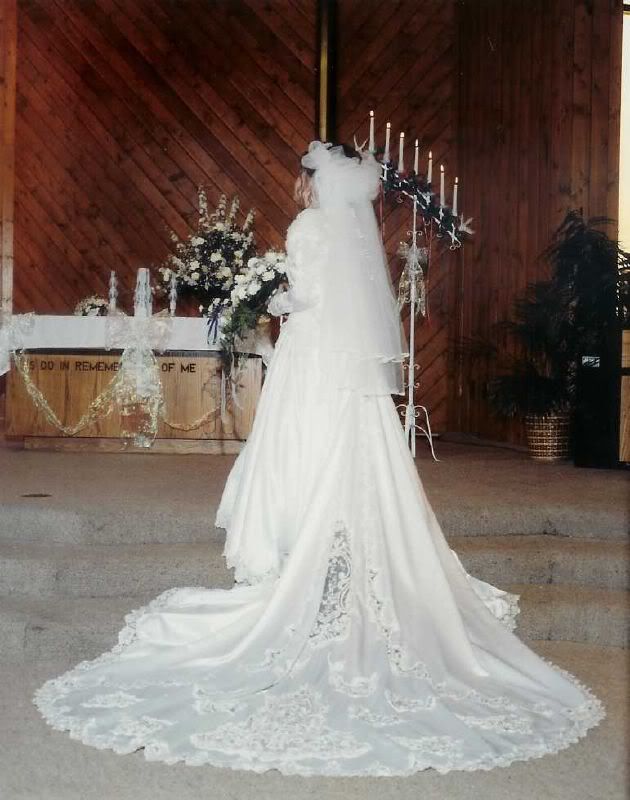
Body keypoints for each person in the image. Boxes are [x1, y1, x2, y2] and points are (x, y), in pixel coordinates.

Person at [34, 141, 604, 776]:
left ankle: (297, 547)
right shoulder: (354, 234)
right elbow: (347, 302)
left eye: (301, 181)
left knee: (299, 450)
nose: (300, 191)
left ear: (312, 184)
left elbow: (303, 300)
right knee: (352, 453)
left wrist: (267, 297)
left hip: (308, 362)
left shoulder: (307, 226)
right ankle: (342, 542)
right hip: (349, 377)